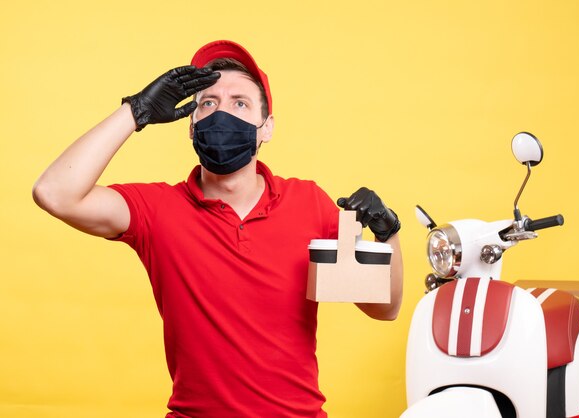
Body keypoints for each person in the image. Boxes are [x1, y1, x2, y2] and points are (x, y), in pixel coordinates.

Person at [32, 40, 403, 418]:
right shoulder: (157, 210)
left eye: (240, 103)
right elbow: (54, 193)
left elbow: (384, 308)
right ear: (191, 126)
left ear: (267, 127)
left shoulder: (308, 203)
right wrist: (136, 110)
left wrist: (386, 231)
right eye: (208, 103)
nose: (221, 113)